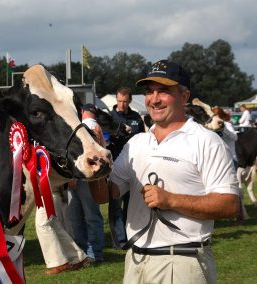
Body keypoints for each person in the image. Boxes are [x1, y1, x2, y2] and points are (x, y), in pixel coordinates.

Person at [91, 60, 239, 283]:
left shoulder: (206, 141)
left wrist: (171, 200)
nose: (154, 99)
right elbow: (104, 195)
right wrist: (95, 162)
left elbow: (229, 205)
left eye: (164, 91)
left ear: (184, 95)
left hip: (182, 262)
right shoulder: (137, 143)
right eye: (149, 92)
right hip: (136, 261)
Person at [66, 103, 105, 263]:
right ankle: (89, 252)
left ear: (81, 112)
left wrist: (73, 177)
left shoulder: (86, 126)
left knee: (83, 216)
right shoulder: (95, 126)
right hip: (86, 177)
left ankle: (91, 252)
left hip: (82, 177)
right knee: (87, 216)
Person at [109, 87, 145, 248]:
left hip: (134, 168)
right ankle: (120, 240)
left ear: (130, 101)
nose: (122, 104)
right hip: (115, 167)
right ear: (116, 100)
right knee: (116, 205)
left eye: (125, 101)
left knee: (131, 205)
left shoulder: (136, 117)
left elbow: (142, 139)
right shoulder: (109, 118)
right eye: (119, 101)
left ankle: (132, 236)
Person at [35, 184, 90, 275]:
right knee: (55, 227)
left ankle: (59, 263)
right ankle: (78, 257)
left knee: (43, 225)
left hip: (49, 194)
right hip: (50, 194)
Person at [212, 107, 249, 223]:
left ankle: (240, 214)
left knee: (234, 187)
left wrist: (224, 129)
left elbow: (235, 137)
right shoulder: (212, 126)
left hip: (230, 160)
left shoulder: (227, 125)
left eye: (216, 115)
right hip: (216, 160)